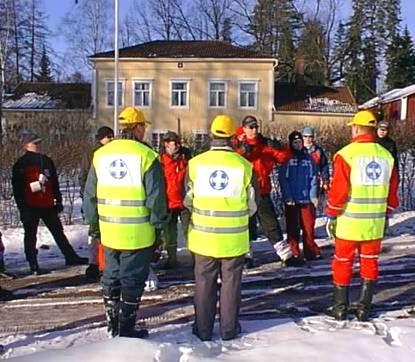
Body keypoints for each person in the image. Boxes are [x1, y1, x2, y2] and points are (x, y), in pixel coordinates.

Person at [83, 106, 168, 338]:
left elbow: (90, 194)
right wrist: (159, 227)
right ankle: (126, 328)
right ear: (138, 127)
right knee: (132, 279)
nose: (144, 131)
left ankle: (112, 321)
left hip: (109, 230)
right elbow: (156, 197)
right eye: (144, 126)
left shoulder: (101, 155)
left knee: (111, 275)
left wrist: (93, 224)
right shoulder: (147, 155)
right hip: (137, 233)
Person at [185, 114, 257, 341]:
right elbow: (252, 206)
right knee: (231, 286)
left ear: (211, 135)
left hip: (203, 238)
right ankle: (229, 330)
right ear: (232, 137)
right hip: (233, 240)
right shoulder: (245, 166)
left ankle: (203, 330)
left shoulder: (195, 164)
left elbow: (187, 200)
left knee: (204, 284)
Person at [325, 110, 399, 321]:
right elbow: (393, 191)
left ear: (356, 128)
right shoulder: (386, 156)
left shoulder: (345, 154)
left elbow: (338, 192)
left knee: (342, 262)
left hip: (349, 223)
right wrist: (388, 212)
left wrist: (331, 213)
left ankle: (340, 308)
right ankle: (364, 308)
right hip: (374, 223)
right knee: (370, 262)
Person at [12, 129, 88, 274]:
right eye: (35, 143)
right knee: (30, 235)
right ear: (26, 145)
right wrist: (22, 207)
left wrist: (58, 200)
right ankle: (33, 263)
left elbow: (54, 182)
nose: (38, 145)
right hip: (30, 206)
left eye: (39, 142)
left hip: (47, 204)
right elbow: (17, 188)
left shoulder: (46, 160)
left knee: (58, 231)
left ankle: (70, 256)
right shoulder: (21, 163)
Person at [236, 115, 292, 264]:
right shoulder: (236, 144)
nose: (254, 130)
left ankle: (285, 254)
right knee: (245, 226)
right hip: (243, 193)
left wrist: (280, 147)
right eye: (250, 127)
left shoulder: (264, 144)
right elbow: (229, 160)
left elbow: (282, 158)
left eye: (255, 127)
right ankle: (246, 256)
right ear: (244, 128)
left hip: (262, 191)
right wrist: (241, 150)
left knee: (271, 224)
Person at [279, 131, 320, 266]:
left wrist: (313, 195)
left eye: (300, 142)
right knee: (293, 228)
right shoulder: (287, 158)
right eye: (295, 142)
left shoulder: (308, 158)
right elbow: (283, 179)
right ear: (291, 143)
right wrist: (288, 196)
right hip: (292, 200)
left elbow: (314, 177)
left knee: (308, 227)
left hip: (306, 199)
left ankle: (310, 251)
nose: (298, 145)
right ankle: (294, 251)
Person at [82, 126, 114, 280]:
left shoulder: (101, 154)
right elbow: (88, 180)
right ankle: (96, 264)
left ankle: (97, 264)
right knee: (96, 233)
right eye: (108, 136)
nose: (111, 139)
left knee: (98, 234)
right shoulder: (98, 155)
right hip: (96, 198)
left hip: (98, 198)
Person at [158, 131, 190, 269]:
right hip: (168, 201)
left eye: (177, 142)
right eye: (173, 143)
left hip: (184, 200)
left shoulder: (185, 158)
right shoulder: (160, 160)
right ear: (166, 144)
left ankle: (195, 258)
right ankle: (172, 259)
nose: (176, 145)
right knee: (169, 233)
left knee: (189, 230)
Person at [302, 127, 330, 198]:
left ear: (313, 138)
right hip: (300, 181)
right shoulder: (298, 149)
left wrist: (325, 180)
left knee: (313, 202)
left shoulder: (318, 150)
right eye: (305, 136)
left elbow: (324, 166)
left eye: (310, 136)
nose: (308, 139)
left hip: (314, 181)